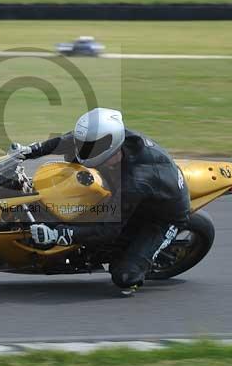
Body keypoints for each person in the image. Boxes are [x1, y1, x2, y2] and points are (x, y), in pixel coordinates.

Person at [12, 107, 190, 293]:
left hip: (161, 216)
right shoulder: (110, 139)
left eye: (88, 146)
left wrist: (59, 234)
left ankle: (137, 266)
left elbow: (109, 228)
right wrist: (30, 151)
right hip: (130, 190)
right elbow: (68, 140)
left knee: (124, 276)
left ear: (109, 146)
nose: (81, 148)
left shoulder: (137, 181)